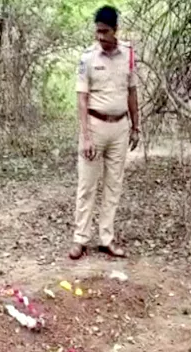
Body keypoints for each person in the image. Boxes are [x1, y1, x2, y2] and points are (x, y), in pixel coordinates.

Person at [69, 5, 140, 260]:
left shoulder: (129, 54)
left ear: (115, 30)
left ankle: (106, 239)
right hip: (95, 126)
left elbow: (132, 92)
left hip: (120, 128)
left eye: (105, 32)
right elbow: (81, 99)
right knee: (87, 185)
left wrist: (136, 125)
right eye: (97, 31)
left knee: (114, 185)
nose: (100, 36)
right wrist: (86, 136)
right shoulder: (88, 57)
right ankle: (80, 239)